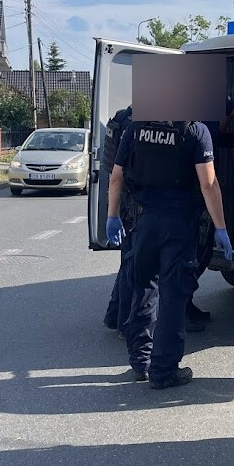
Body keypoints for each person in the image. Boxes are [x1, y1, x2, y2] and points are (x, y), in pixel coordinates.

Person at [107, 117, 232, 389]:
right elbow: (208, 184)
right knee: (173, 295)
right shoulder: (195, 130)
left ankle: (140, 361)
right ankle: (163, 371)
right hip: (179, 225)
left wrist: (112, 216)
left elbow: (116, 177)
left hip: (143, 222)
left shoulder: (136, 128)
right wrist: (221, 227)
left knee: (143, 288)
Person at [101, 104, 135, 336]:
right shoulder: (133, 123)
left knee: (127, 263)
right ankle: (124, 323)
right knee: (132, 265)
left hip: (121, 198)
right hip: (131, 199)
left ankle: (114, 315)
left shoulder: (122, 117)